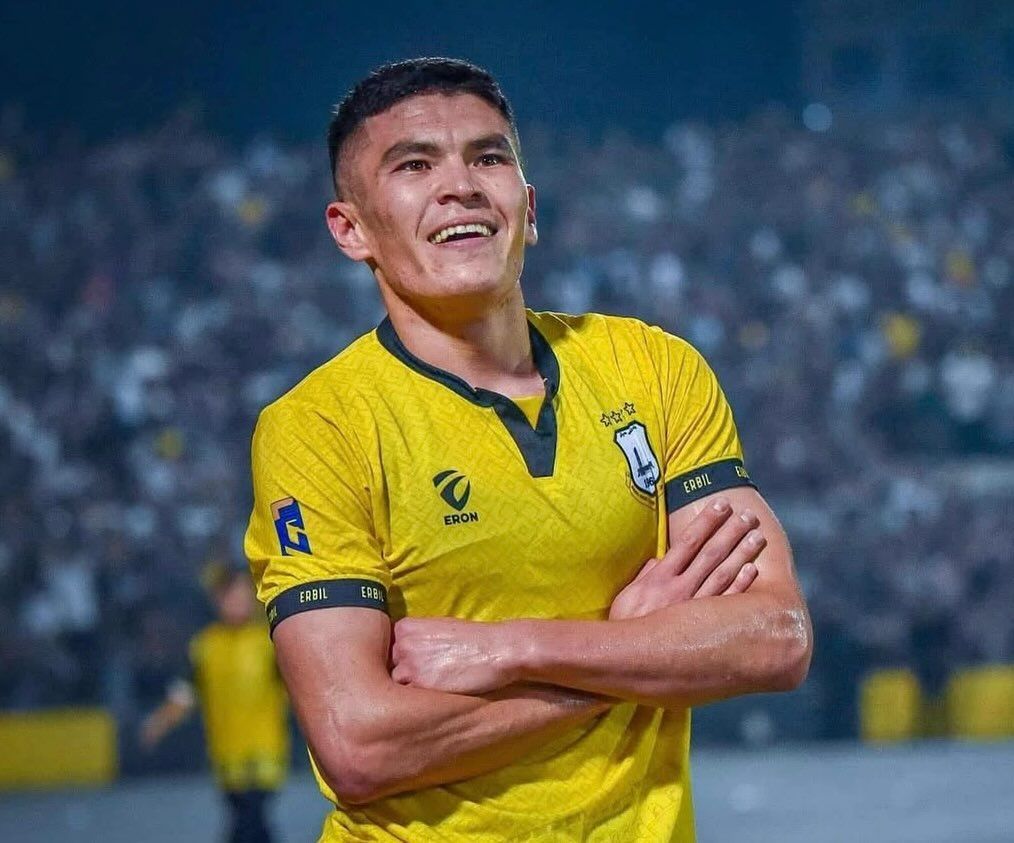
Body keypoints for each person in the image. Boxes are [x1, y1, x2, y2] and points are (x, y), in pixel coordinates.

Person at [244, 57, 812, 842]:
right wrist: (628, 651)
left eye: (488, 157)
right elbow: (359, 747)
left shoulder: (653, 368)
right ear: (352, 229)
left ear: (529, 207)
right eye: (414, 165)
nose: (461, 185)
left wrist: (515, 648)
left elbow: (775, 636)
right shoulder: (320, 427)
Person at [141, 562, 289, 843]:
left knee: (249, 823)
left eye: (243, 594)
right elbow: (184, 695)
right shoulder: (205, 646)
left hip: (265, 754)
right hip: (226, 759)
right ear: (217, 600)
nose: (238, 602)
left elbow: (293, 688)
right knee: (250, 826)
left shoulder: (268, 642)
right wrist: (159, 722)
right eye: (230, 596)